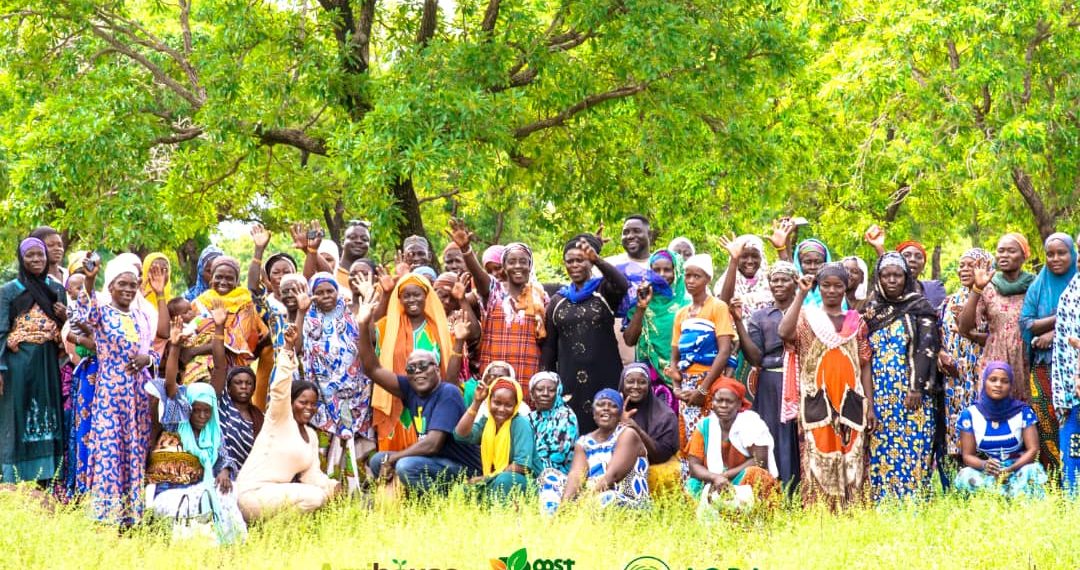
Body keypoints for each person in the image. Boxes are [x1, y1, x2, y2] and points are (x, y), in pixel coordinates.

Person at [70, 257, 162, 525]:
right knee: (110, 448)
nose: (128, 289)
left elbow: (153, 351)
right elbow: (84, 313)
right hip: (110, 393)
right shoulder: (102, 313)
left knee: (134, 449)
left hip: (137, 395)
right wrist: (90, 280)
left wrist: (148, 359)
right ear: (110, 286)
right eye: (122, 284)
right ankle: (106, 515)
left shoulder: (140, 316)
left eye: (133, 285)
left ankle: (131, 516)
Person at [779, 264, 874, 509]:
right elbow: (784, 332)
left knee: (851, 456)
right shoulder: (807, 317)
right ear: (818, 287)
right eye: (826, 285)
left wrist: (870, 406)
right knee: (817, 455)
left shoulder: (856, 322)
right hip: (816, 401)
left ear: (846, 288)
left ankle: (851, 511)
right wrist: (801, 294)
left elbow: (864, 364)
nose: (832, 290)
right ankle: (819, 512)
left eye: (838, 286)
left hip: (851, 400)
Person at [359, 304, 481, 494]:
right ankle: (403, 500)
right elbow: (372, 369)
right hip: (434, 461)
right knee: (377, 460)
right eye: (411, 369)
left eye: (423, 366)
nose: (418, 372)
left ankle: (439, 502)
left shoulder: (447, 393)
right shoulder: (410, 388)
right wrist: (362, 324)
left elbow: (433, 444)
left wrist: (393, 459)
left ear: (436, 369)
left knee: (405, 465)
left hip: (463, 467)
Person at [863, 253, 939, 501]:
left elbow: (926, 348)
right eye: (886, 275)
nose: (892, 280)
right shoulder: (871, 311)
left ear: (906, 278)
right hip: (880, 392)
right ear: (878, 278)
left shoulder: (918, 307)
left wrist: (916, 387)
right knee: (882, 444)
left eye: (897, 275)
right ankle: (883, 500)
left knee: (913, 444)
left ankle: (913, 501)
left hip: (911, 392)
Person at [234, 345, 339, 521]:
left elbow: (311, 475)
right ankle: (269, 531)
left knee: (321, 495)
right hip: (251, 494)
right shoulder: (279, 420)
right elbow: (279, 391)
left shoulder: (311, 435)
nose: (309, 408)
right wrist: (288, 350)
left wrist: (333, 487)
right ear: (290, 402)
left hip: (275, 495)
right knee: (315, 497)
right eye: (303, 402)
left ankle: (270, 531)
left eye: (313, 404)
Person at [542, 233, 629, 433]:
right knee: (574, 427)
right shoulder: (557, 300)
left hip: (605, 373)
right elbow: (549, 346)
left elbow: (622, 285)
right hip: (570, 377)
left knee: (607, 425)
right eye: (570, 261)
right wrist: (546, 377)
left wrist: (598, 260)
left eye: (580, 260)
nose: (574, 265)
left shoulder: (603, 291)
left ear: (589, 262)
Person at [449, 221, 550, 395]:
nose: (517, 266)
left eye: (523, 262)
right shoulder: (494, 291)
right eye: (512, 262)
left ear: (530, 265)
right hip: (493, 373)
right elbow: (479, 275)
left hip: (527, 373)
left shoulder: (541, 297)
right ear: (504, 266)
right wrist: (466, 250)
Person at [0, 238, 67, 484]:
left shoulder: (56, 289)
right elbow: (1, 331)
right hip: (17, 364)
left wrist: (65, 316)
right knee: (17, 415)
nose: (37, 259)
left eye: (41, 255)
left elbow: (66, 330)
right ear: (21, 259)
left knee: (47, 416)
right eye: (30, 255)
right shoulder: (9, 291)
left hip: (47, 363)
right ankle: (13, 479)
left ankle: (47, 478)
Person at [144, 380, 244, 544]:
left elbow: (224, 459)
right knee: (198, 503)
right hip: (169, 494)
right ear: (188, 409)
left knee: (226, 491)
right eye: (197, 410)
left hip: (199, 491)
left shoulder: (213, 434)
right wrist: (175, 356)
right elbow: (166, 385)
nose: (202, 416)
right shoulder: (175, 426)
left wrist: (224, 472)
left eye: (207, 411)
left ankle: (229, 543)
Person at [296, 273, 374, 477]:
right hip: (322, 396)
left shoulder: (351, 315)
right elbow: (296, 348)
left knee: (355, 442)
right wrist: (301, 312)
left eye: (330, 291)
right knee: (325, 443)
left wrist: (367, 304)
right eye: (319, 292)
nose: (325, 296)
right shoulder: (308, 318)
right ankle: (327, 485)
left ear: (337, 291)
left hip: (354, 394)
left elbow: (371, 340)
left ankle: (356, 487)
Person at [731, 261, 800, 485]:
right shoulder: (760, 317)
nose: (778, 284)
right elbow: (755, 358)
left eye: (784, 280)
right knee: (773, 432)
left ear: (795, 282)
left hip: (801, 380)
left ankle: (800, 488)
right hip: (771, 382)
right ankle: (775, 487)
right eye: (774, 280)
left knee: (797, 435)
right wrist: (739, 322)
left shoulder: (807, 313)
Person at [372, 272, 457, 452]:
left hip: (430, 400)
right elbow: (369, 336)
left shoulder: (439, 329)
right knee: (391, 456)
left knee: (426, 450)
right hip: (395, 397)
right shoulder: (388, 325)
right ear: (399, 299)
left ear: (426, 296)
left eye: (416, 294)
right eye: (406, 295)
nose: (412, 300)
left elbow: (448, 368)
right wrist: (385, 295)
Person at [538, 389, 650, 514]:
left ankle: (574, 516)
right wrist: (565, 506)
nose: (606, 408)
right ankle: (553, 518)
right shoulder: (584, 442)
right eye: (600, 405)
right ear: (593, 412)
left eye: (613, 406)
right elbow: (577, 476)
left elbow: (612, 476)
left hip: (625, 500)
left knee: (607, 498)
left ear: (620, 414)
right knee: (549, 475)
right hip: (591, 498)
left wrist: (580, 504)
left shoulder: (628, 434)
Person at [1020, 233, 1076, 470]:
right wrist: (1061, 316)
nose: (1055, 259)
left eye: (1061, 253)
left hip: (1074, 367)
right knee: (1046, 420)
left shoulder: (1077, 285)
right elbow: (1026, 323)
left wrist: (1054, 333)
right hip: (1043, 367)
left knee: (1073, 419)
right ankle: (1054, 477)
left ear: (1073, 255)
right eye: (1050, 254)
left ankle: (1074, 475)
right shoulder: (1038, 286)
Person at [669, 254, 735, 450]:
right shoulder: (681, 314)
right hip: (686, 385)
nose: (690, 281)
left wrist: (703, 389)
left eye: (696, 276)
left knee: (712, 439)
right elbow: (675, 356)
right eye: (687, 276)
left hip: (711, 381)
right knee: (689, 439)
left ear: (708, 279)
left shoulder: (718, 307)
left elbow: (724, 351)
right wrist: (676, 387)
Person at [954, 362, 1047, 498]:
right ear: (984, 382)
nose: (998, 385)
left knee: (1032, 470)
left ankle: (1015, 501)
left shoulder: (1023, 412)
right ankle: (990, 501)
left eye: (1004, 381)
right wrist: (984, 465)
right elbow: (967, 456)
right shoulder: (970, 414)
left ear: (1010, 385)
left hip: (1017, 471)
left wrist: (1010, 469)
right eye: (993, 380)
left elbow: (1033, 450)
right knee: (966, 475)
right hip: (988, 473)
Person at [959, 233, 1035, 400]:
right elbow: (964, 328)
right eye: (1001, 251)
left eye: (1011, 251)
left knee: (1024, 410)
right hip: (995, 357)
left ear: (1024, 256)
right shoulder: (988, 285)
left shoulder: (1034, 286)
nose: (1004, 255)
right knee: (994, 408)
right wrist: (977, 289)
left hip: (1027, 358)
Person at [686, 379, 779, 511]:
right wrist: (715, 477)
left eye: (729, 401)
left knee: (757, 474)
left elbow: (760, 461)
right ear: (712, 402)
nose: (723, 405)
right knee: (692, 485)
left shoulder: (751, 423)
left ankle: (755, 517)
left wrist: (725, 476)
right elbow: (694, 466)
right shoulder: (704, 426)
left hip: (741, 480)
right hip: (713, 481)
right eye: (719, 400)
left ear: (739, 404)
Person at [939, 248, 993, 460]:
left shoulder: (992, 299)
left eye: (971, 265)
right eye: (961, 265)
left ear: (986, 267)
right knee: (958, 434)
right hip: (955, 380)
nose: (964, 269)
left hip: (981, 375)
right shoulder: (949, 301)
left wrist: (970, 334)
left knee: (983, 430)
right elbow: (938, 333)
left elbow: (998, 336)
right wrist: (940, 354)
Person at [185, 256, 268, 383]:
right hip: (194, 363)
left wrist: (193, 351)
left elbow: (235, 342)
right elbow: (187, 331)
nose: (223, 282)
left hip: (231, 365)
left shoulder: (245, 305)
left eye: (229, 278)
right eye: (218, 277)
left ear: (236, 282)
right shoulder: (199, 302)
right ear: (212, 279)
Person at [454, 376, 536, 501]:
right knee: (462, 490)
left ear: (516, 405)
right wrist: (476, 402)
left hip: (524, 481)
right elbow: (461, 435)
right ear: (489, 401)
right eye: (497, 403)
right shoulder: (487, 422)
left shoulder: (520, 424)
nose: (501, 409)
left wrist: (486, 478)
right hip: (495, 479)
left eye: (508, 405)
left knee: (505, 480)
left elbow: (521, 465)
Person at [248, 223, 300, 410]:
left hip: (303, 373)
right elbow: (253, 288)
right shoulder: (270, 309)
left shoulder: (307, 305)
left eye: (286, 271)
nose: (281, 276)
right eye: (275, 272)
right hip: (275, 372)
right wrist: (258, 250)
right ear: (269, 279)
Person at [622, 249, 689, 376]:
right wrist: (641, 307)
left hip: (681, 372)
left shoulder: (687, 303)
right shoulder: (641, 299)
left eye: (667, 270)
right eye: (656, 270)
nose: (661, 274)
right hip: (648, 374)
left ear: (677, 271)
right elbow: (630, 341)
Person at [618, 363, 680, 494]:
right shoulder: (612, 409)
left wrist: (636, 429)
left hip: (653, 473)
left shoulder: (665, 415)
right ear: (622, 384)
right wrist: (616, 421)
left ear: (649, 385)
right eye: (630, 382)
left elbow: (661, 456)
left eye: (642, 382)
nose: (636, 386)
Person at [863, 227, 948, 310]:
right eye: (906, 255)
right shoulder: (880, 294)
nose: (912, 259)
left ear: (923, 266)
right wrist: (879, 247)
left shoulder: (934, 288)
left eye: (918, 257)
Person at [606, 216, 653, 365]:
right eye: (626, 232)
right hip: (618, 347)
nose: (630, 236)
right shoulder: (610, 265)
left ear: (649, 235)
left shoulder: (661, 265)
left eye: (636, 231)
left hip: (655, 343)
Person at [1052, 268, 1080, 493]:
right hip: (1071, 388)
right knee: (1073, 447)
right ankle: (1073, 499)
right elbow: (1064, 344)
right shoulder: (1071, 292)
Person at [527, 371, 579, 475]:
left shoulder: (567, 417)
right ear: (532, 394)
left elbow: (558, 455)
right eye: (540, 390)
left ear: (558, 393)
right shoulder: (530, 418)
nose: (545, 393)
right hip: (528, 469)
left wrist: (525, 463)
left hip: (556, 474)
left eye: (551, 390)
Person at [715, 234, 772, 318]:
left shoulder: (770, 281)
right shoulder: (725, 283)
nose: (750, 261)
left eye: (755, 256)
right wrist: (734, 259)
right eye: (744, 256)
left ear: (761, 258)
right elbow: (723, 306)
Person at [792, 238, 833, 307]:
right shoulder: (791, 289)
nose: (812, 267)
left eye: (818, 262)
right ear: (799, 263)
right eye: (807, 262)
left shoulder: (836, 290)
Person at [337, 221, 372, 292]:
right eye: (353, 237)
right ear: (342, 241)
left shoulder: (373, 276)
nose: (359, 241)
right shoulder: (332, 272)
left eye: (364, 239)